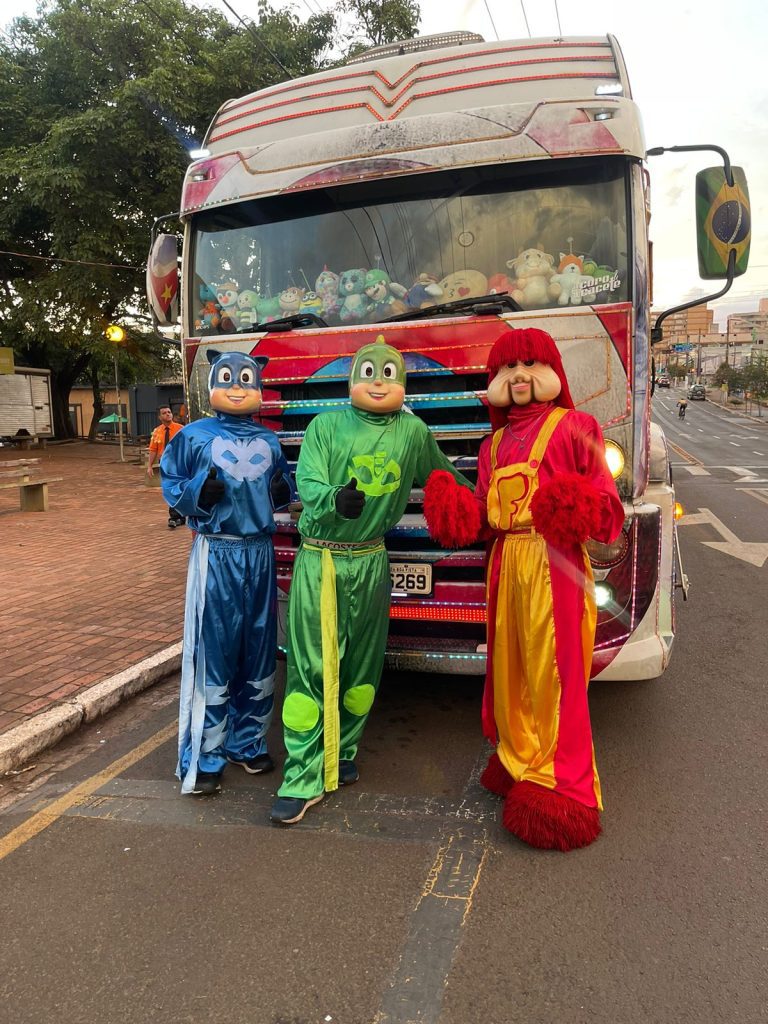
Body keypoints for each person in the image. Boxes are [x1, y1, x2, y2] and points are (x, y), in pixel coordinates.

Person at [423, 328, 624, 851]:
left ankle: (565, 788)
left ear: (553, 371)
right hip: (506, 562)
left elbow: (607, 508)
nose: (518, 376)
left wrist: (576, 507)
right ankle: (520, 759)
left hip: (554, 564)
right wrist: (461, 512)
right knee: (509, 672)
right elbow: (490, 516)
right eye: (505, 368)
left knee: (553, 672)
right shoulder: (491, 445)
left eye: (531, 364)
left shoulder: (576, 426)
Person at [270, 336, 472, 826]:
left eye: (389, 373)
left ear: (402, 382)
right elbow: (309, 481)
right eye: (369, 371)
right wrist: (334, 499)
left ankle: (342, 751)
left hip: (373, 562)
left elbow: (448, 480)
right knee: (313, 667)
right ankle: (301, 774)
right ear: (353, 377)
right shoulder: (325, 426)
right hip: (323, 561)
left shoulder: (412, 432)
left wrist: (499, 504)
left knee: (362, 667)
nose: (378, 381)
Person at [160, 350, 292, 795]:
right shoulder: (193, 437)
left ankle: (247, 741)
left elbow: (281, 488)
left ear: (259, 387)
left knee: (258, 647)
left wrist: (280, 491)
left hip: (260, 553)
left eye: (247, 379)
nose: (238, 387)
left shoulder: (270, 441)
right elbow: (171, 484)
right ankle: (206, 752)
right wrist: (199, 491)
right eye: (228, 378)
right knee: (214, 650)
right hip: (216, 553)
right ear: (213, 383)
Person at [147, 406, 185, 527]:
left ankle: (177, 516)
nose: (168, 414)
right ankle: (177, 516)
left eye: (169, 412)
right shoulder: (157, 431)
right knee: (169, 489)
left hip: (178, 462)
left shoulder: (180, 429)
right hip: (165, 463)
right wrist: (150, 465)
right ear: (160, 417)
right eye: (164, 413)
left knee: (178, 488)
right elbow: (153, 449)